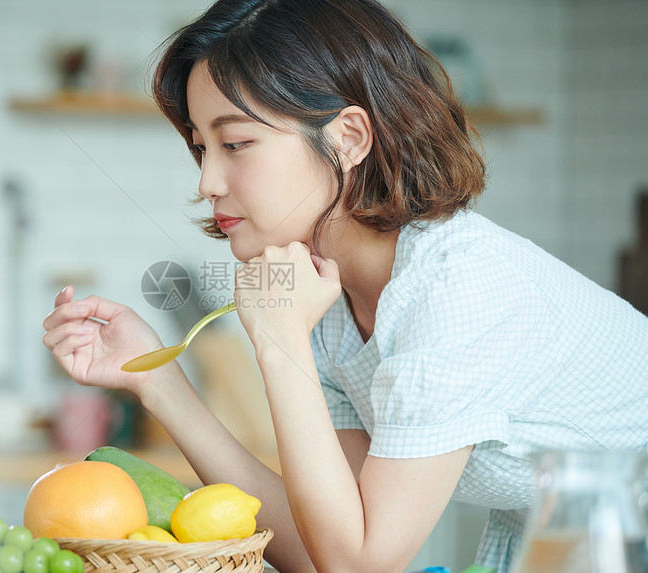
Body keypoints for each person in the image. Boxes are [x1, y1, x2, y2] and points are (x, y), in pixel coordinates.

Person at [42, 0, 648, 571]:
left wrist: (279, 340)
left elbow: (359, 563)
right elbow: (321, 546)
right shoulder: (335, 297)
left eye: (235, 144)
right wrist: (157, 380)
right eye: (202, 148)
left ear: (349, 138)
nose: (207, 181)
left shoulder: (458, 287)